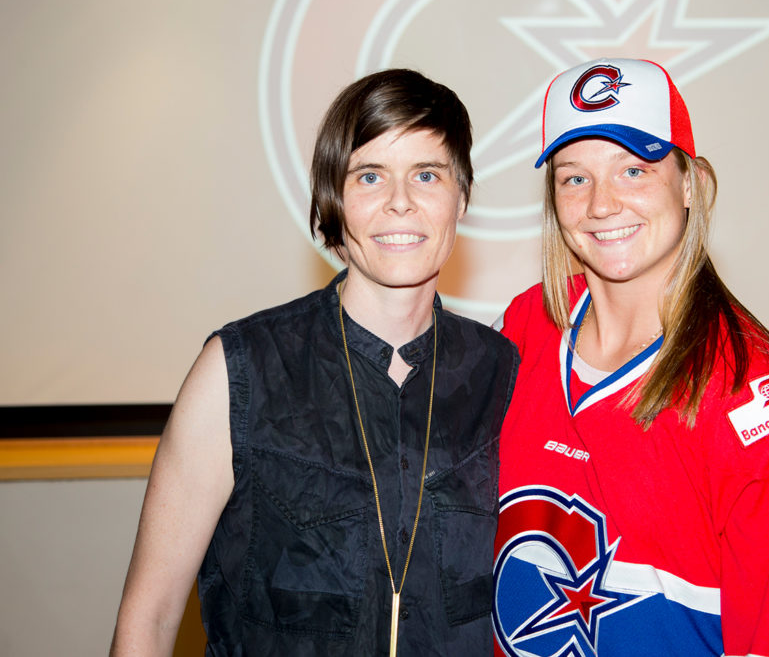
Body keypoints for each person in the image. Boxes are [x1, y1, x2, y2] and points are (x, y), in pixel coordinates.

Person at [110, 69, 518, 657]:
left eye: (427, 175)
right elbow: (148, 620)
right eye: (370, 175)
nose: (400, 201)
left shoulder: (500, 376)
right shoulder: (238, 370)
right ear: (334, 197)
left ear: (461, 196)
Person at [492, 58, 769, 657]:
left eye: (633, 169)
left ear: (688, 183)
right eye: (574, 177)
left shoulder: (755, 406)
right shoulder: (527, 328)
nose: (602, 204)